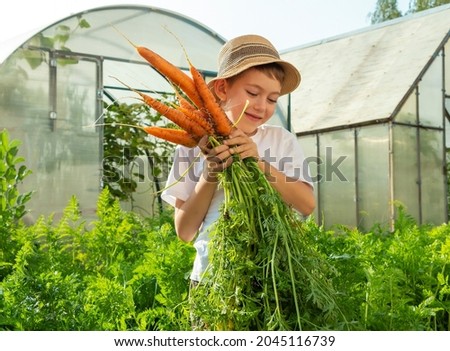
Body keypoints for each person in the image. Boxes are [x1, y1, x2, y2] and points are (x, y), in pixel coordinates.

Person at [161, 34, 315, 285]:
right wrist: (210, 172)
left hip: (272, 280)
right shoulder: (193, 146)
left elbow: (306, 205)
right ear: (222, 89)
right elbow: (185, 231)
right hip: (212, 280)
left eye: (272, 99)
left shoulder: (281, 140)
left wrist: (258, 161)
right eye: (253, 93)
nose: (262, 106)